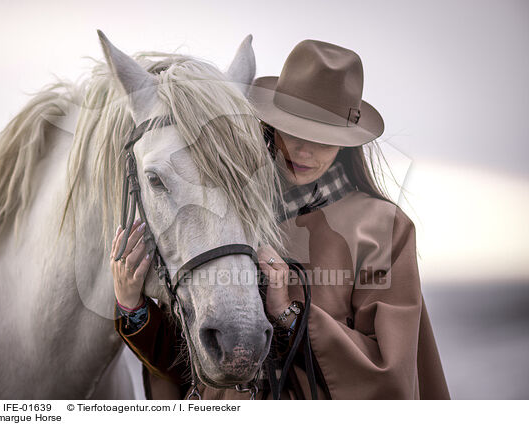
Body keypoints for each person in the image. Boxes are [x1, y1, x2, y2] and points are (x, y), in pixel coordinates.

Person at [110, 39, 450, 399]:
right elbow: (194, 363)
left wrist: (289, 314)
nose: (304, 149)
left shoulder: (382, 228)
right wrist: (132, 306)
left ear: (347, 142)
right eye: (292, 129)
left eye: (323, 137)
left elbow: (389, 374)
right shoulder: (233, 210)